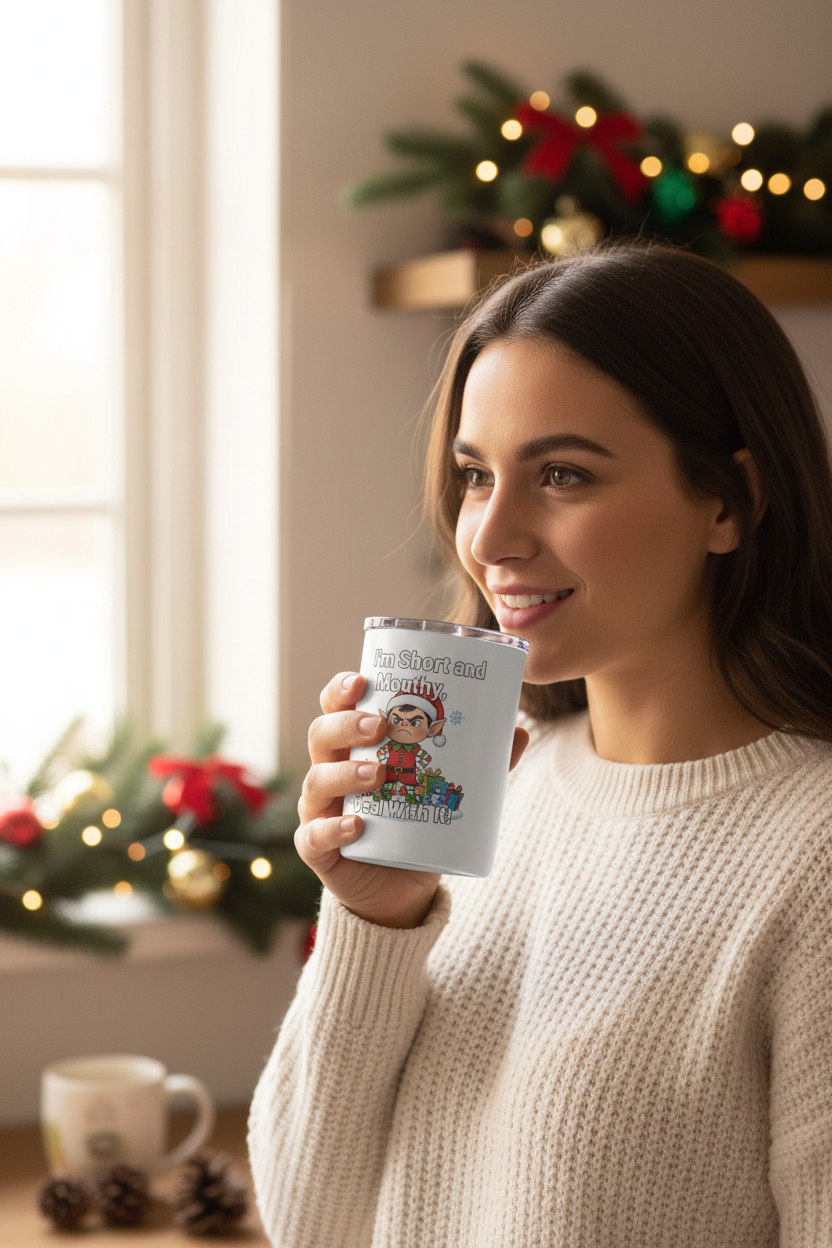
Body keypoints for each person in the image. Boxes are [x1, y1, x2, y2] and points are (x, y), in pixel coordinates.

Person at [248, 243, 832, 1248]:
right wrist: (374, 919)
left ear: (728, 501)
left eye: (562, 474)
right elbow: (313, 1220)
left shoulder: (811, 857)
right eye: (476, 475)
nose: (489, 537)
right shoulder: (488, 784)